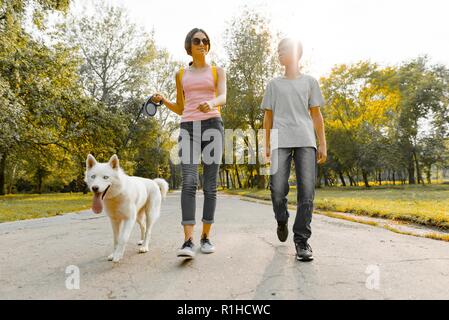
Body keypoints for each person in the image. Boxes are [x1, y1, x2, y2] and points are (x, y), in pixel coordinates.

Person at [151, 28, 226, 259]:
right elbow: (182, 108)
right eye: (197, 40)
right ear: (189, 46)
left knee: (211, 185)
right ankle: (187, 241)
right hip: (188, 128)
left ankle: (205, 237)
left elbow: (223, 97)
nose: (202, 43)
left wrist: (210, 102)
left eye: (205, 40)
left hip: (213, 125)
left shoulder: (218, 71)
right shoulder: (181, 74)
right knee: (190, 181)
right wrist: (164, 101)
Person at [261, 38, 327, 261]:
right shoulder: (274, 84)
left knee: (306, 193)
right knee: (277, 189)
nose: (279, 53)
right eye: (278, 51)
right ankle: (281, 218)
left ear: (297, 53)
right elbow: (267, 116)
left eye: (284, 50)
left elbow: (317, 116)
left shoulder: (310, 82)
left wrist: (322, 144)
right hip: (280, 140)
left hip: (306, 140)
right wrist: (266, 142)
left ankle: (302, 241)